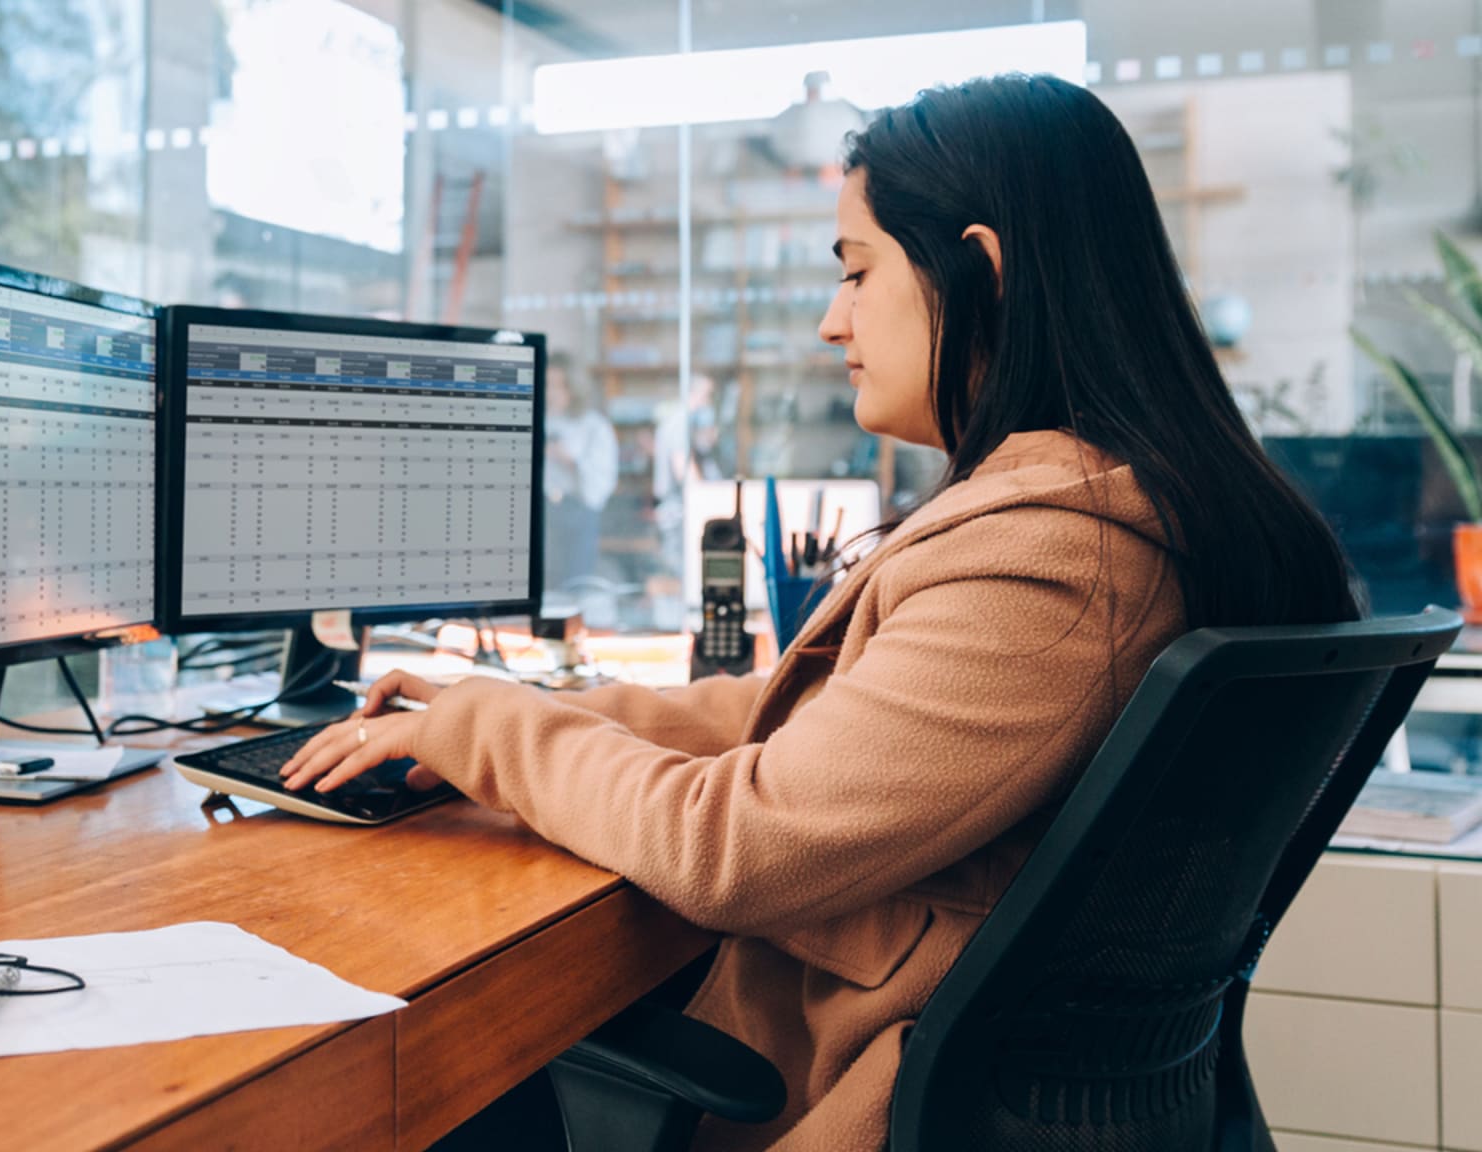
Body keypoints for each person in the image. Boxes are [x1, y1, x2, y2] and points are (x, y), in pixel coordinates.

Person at [281, 74, 1359, 1150]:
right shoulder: (1131, 514)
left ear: (979, 272)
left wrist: (489, 731)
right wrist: (530, 709)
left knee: (417, 1080)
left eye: (857, 271)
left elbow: (731, 846)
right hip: (968, 1079)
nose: (830, 319)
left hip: (851, 1099)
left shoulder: (1060, 562)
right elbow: (833, 722)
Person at [541, 353, 620, 593]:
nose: (551, 393)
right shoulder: (538, 421)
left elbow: (602, 477)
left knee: (575, 586)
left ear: (572, 387)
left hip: (577, 511)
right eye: (547, 385)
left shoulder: (593, 426)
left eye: (558, 385)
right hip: (543, 512)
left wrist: (570, 460)